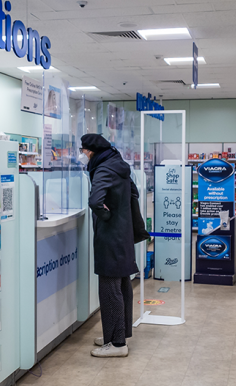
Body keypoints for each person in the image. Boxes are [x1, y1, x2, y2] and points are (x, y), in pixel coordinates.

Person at [79, 133, 140, 358]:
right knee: (122, 285)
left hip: (110, 236)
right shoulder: (118, 165)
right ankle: (116, 335)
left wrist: (106, 217)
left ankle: (116, 345)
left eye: (84, 150)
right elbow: (134, 193)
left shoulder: (104, 170)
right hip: (123, 233)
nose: (83, 155)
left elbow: (95, 201)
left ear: (92, 151)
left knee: (109, 288)